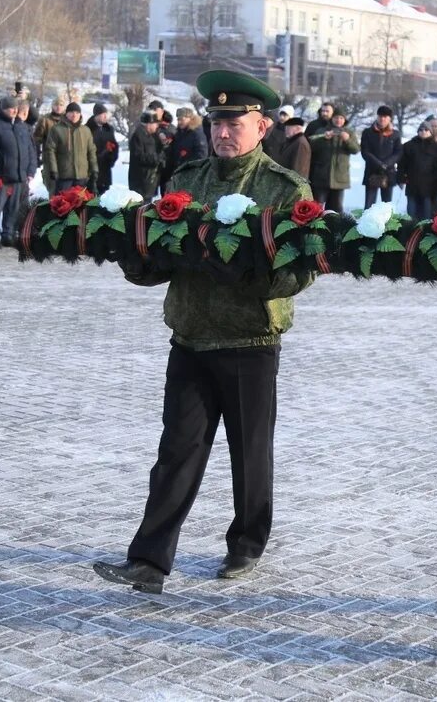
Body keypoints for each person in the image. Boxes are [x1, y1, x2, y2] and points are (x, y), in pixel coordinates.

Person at [92, 69, 315, 595]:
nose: (222, 132)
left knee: (249, 451)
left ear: (262, 127)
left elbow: (301, 270)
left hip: (249, 340)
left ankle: (246, 543)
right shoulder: (185, 183)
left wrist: (248, 271)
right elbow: (159, 259)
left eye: (235, 122)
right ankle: (149, 560)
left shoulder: (283, 190)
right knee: (177, 451)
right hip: (190, 335)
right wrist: (130, 254)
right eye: (216, 122)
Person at [0, 96, 37, 249]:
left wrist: (30, 170)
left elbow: (30, 150)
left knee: (13, 208)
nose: (14, 110)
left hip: (19, 176)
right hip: (3, 176)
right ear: (3, 109)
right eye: (10, 108)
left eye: (16, 108)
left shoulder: (21, 126)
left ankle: (8, 234)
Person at [307, 109, 358, 211]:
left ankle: (334, 227)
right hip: (321, 176)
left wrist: (347, 140)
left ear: (344, 120)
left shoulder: (349, 133)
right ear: (332, 119)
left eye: (341, 118)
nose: (338, 120)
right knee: (317, 208)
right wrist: (323, 139)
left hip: (340, 177)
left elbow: (356, 149)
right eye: (336, 118)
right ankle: (316, 227)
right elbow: (311, 147)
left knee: (336, 209)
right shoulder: (322, 131)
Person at [43, 102, 98, 195]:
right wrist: (53, 170)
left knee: (80, 205)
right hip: (63, 176)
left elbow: (91, 151)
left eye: (77, 112)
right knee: (64, 205)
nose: (74, 115)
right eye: (71, 112)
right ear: (66, 114)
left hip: (82, 176)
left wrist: (94, 169)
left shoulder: (85, 130)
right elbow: (50, 150)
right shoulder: (56, 129)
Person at [398, 122, 437, 219]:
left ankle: (425, 233)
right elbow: (402, 164)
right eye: (421, 130)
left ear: (431, 132)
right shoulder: (409, 146)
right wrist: (401, 178)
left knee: (427, 215)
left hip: (429, 187)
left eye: (426, 130)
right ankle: (411, 233)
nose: (423, 132)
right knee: (411, 214)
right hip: (412, 185)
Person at [360, 105, 402, 207]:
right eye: (380, 116)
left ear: (390, 119)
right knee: (369, 205)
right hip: (372, 171)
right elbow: (365, 151)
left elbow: (398, 152)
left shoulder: (395, 134)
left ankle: (386, 223)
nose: (382, 119)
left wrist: (386, 164)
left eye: (385, 117)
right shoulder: (368, 132)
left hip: (389, 172)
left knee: (386, 206)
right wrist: (378, 164)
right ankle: (367, 222)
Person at [85, 103, 120, 195]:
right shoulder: (87, 129)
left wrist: (112, 156)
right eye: (102, 114)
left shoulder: (109, 129)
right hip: (91, 171)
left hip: (106, 170)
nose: (105, 116)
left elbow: (115, 146)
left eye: (106, 114)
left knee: (104, 199)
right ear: (96, 115)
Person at [128, 111, 163, 199]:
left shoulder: (153, 135)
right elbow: (138, 156)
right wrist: (157, 158)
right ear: (149, 124)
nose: (157, 126)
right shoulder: (138, 136)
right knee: (141, 208)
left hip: (148, 181)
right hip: (141, 181)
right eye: (155, 124)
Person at [166, 108, 209, 181]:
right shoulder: (180, 132)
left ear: (190, 118)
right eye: (178, 119)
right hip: (177, 173)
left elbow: (201, 155)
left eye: (182, 119)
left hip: (189, 175)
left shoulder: (197, 134)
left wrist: (186, 165)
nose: (179, 122)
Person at [33, 96, 66, 161]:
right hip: (49, 156)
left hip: (65, 157)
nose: (58, 107)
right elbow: (37, 138)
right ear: (52, 106)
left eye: (61, 105)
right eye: (56, 105)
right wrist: (37, 155)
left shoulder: (67, 119)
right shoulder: (45, 119)